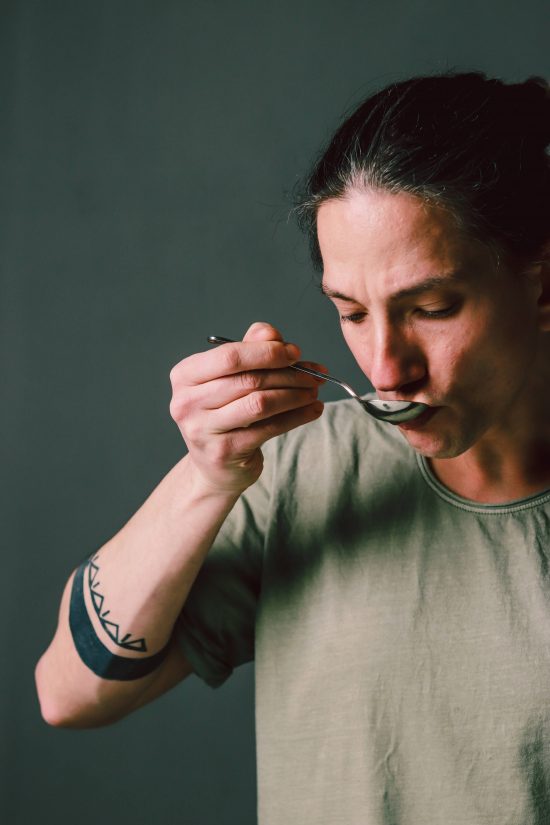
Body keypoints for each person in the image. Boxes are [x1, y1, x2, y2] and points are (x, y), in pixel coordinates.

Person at [35, 72, 550, 824]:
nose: (384, 367)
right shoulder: (301, 468)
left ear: (541, 283)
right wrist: (209, 477)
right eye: (350, 311)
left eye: (431, 308)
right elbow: (70, 692)